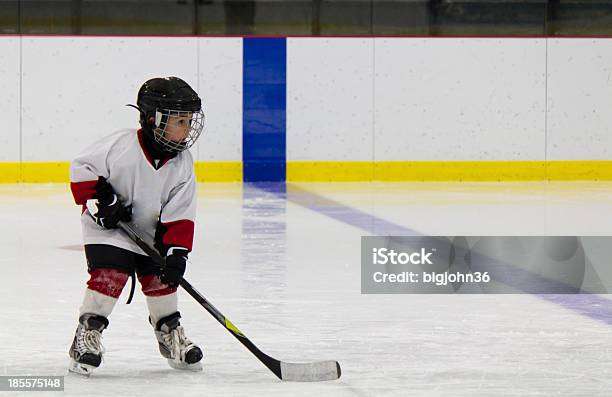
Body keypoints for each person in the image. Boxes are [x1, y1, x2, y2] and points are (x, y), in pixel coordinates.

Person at [67, 77, 205, 376]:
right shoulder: (120, 145)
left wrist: (176, 253)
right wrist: (101, 202)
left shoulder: (182, 165)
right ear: (153, 118)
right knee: (109, 275)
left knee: (162, 281)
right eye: (179, 121)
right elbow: (81, 168)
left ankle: (169, 333)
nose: (187, 128)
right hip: (109, 229)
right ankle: (87, 335)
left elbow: (180, 212)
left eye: (188, 120)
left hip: (150, 234)